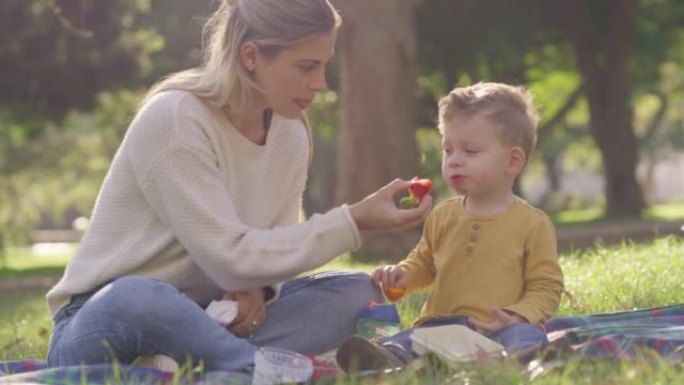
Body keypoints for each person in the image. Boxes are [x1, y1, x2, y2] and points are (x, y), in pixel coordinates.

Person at [46, 0, 432, 372]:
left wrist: (260, 291)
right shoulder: (176, 119)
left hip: (216, 318)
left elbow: (276, 246)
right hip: (104, 325)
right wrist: (355, 221)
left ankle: (198, 364)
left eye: (324, 66)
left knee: (357, 292)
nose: (320, 84)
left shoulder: (291, 132)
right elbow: (230, 258)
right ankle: (257, 369)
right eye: (306, 67)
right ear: (251, 57)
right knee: (137, 295)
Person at [336, 82, 565, 372]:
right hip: (439, 324)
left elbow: (546, 286)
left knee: (525, 335)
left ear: (513, 160)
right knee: (407, 340)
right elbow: (424, 263)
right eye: (448, 150)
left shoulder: (532, 224)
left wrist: (520, 316)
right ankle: (388, 359)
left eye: (470, 151)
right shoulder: (442, 215)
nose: (454, 160)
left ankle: (527, 359)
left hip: (495, 329)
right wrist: (402, 276)